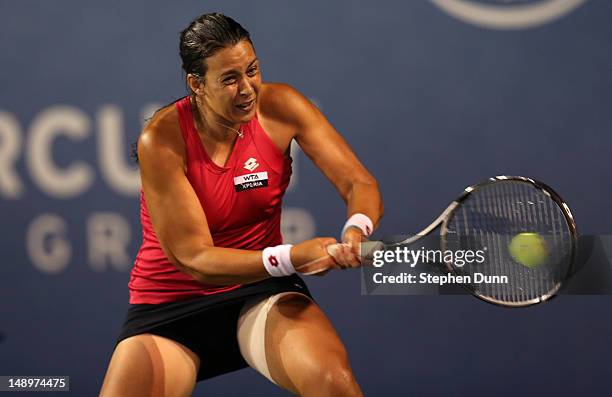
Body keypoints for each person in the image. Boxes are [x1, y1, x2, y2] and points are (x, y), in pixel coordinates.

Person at [100, 12, 383, 397]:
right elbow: (194, 258)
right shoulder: (161, 140)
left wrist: (357, 227)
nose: (247, 88)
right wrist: (291, 257)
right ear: (196, 84)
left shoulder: (282, 106)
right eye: (230, 79)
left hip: (260, 293)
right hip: (168, 307)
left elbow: (357, 181)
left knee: (333, 384)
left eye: (252, 70)